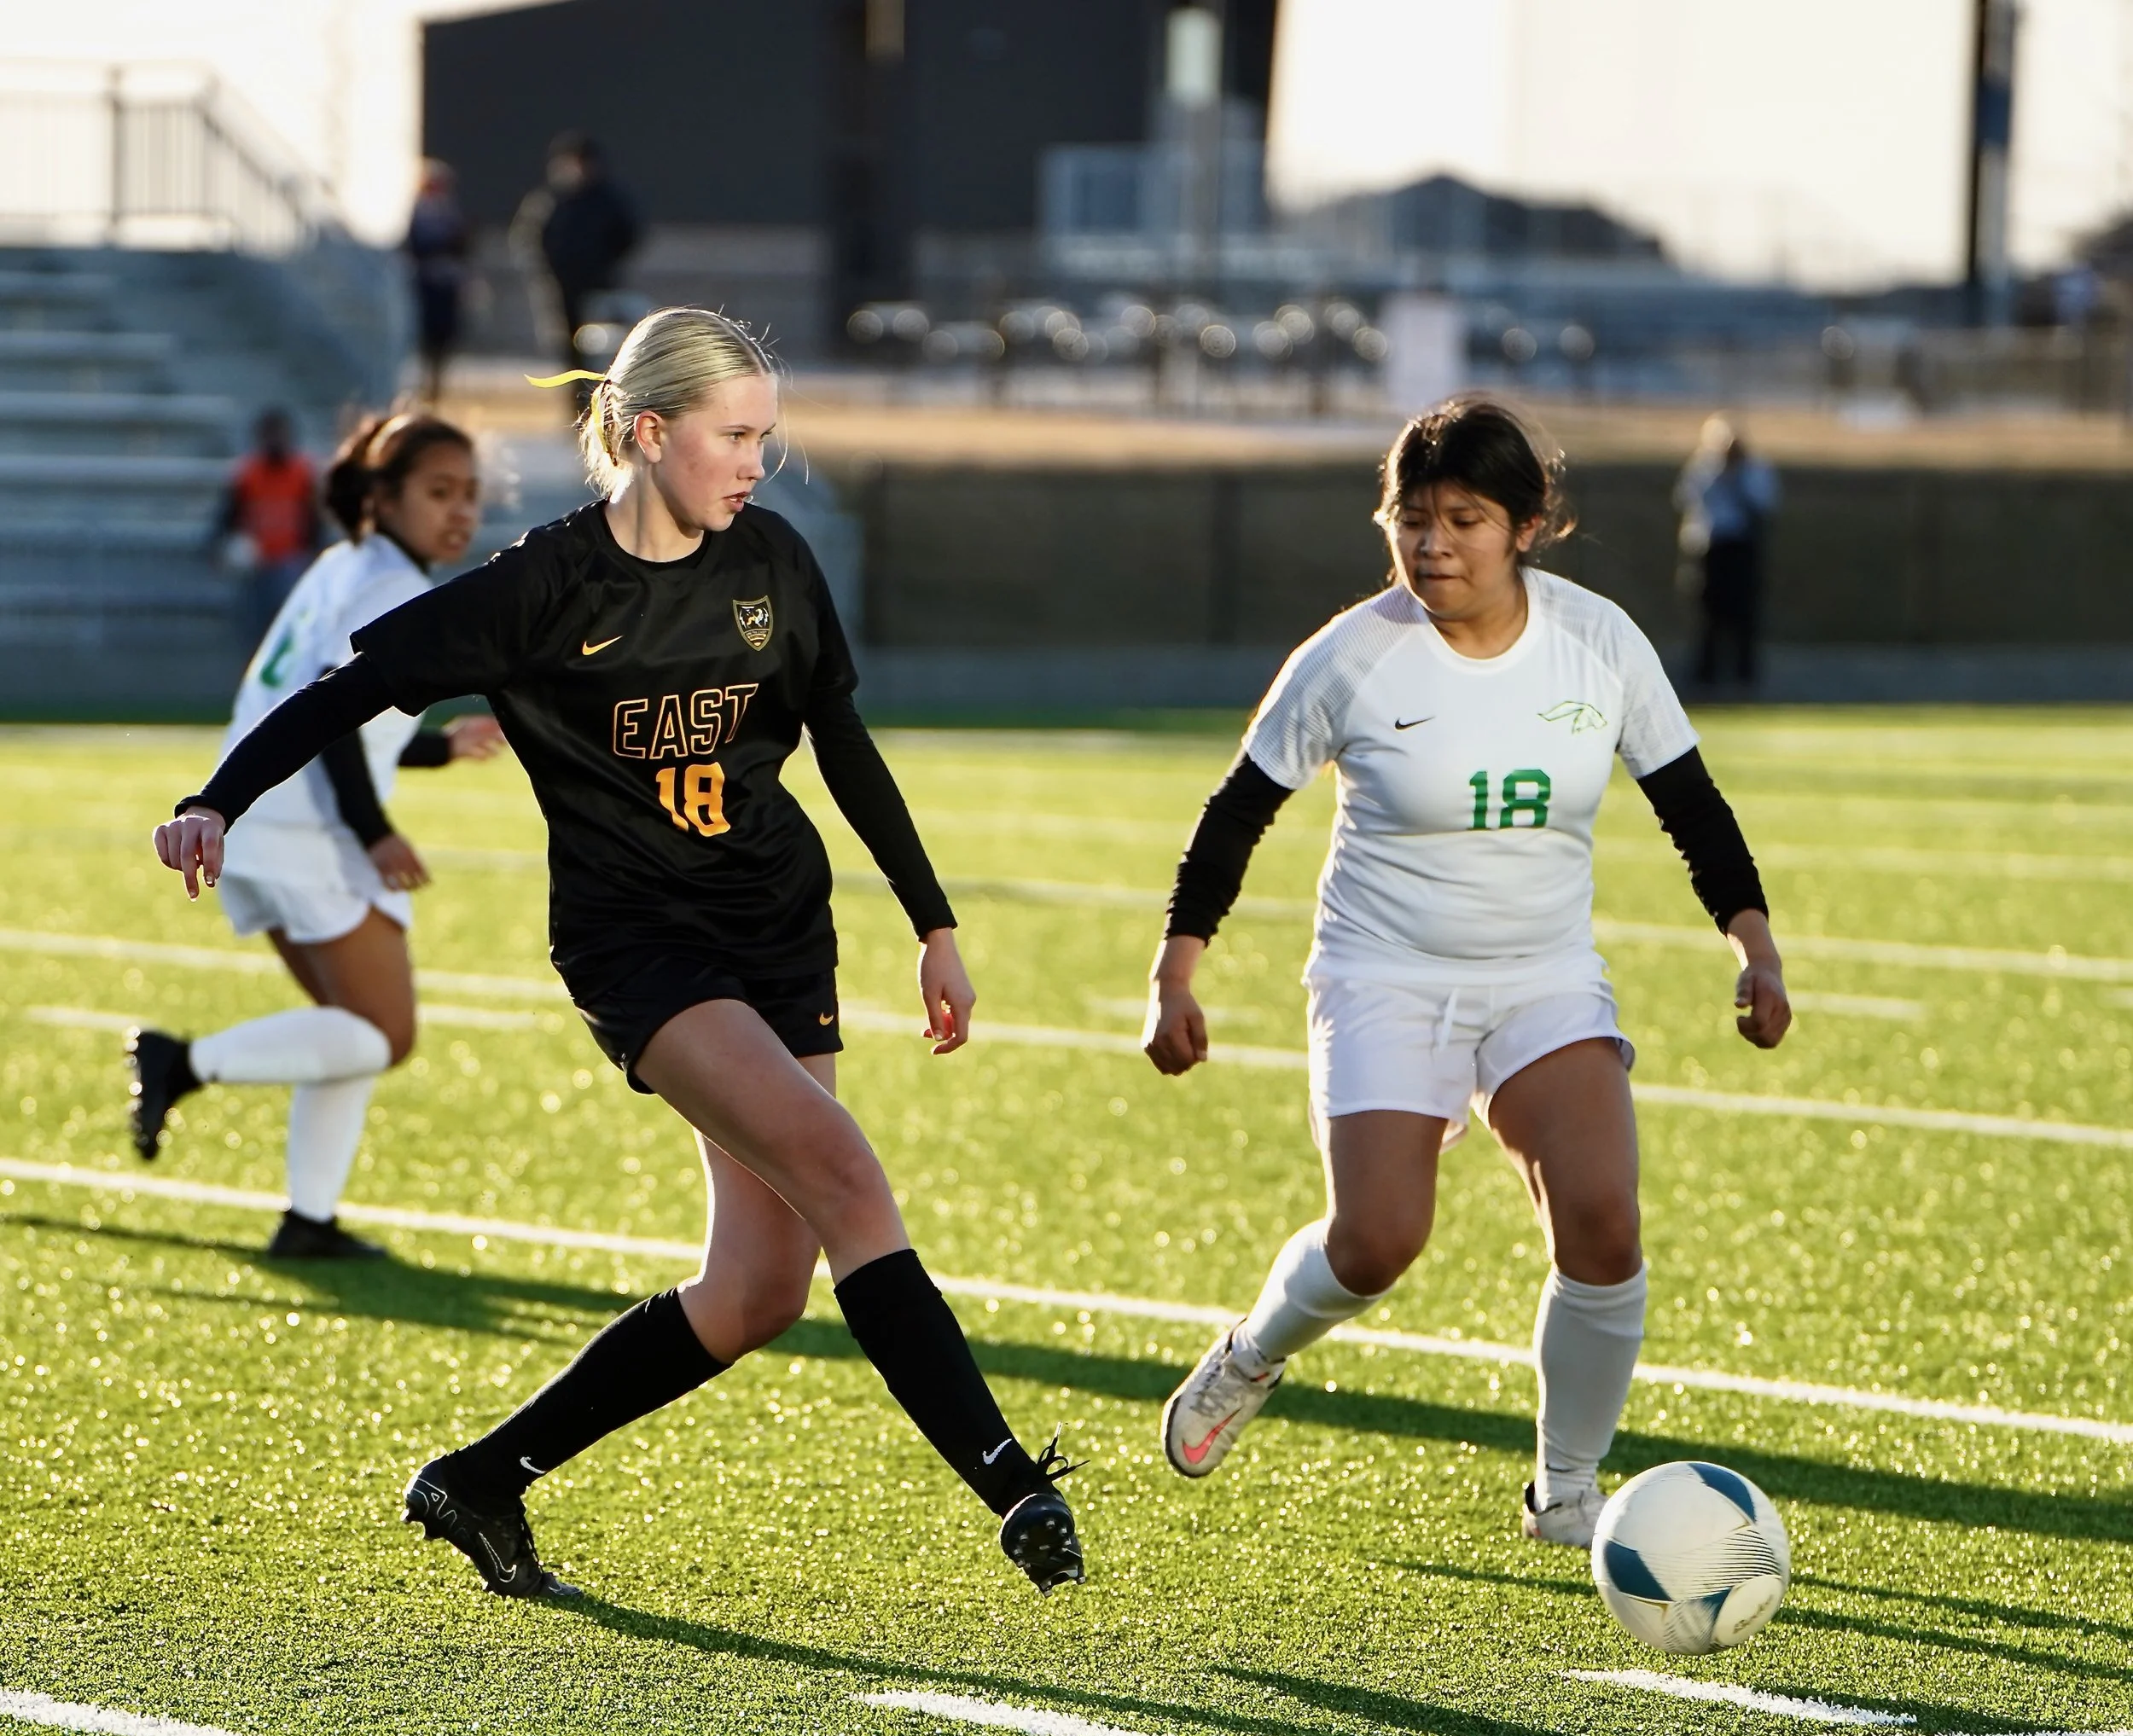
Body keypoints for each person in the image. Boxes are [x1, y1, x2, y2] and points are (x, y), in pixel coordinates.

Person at [150, 308, 1083, 1604]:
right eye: (736, 434)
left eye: (768, 432)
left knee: (756, 1289)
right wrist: (218, 797)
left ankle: (481, 1476)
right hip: (640, 943)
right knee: (841, 1167)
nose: (760, 459)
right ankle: (1011, 1480)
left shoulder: (774, 560)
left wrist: (933, 922)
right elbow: (340, 694)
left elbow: (845, 746)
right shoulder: (544, 586)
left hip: (777, 924)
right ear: (650, 433)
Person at [1142, 397, 1790, 1550]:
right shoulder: (1349, 657)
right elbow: (1237, 814)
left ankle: (1567, 1488)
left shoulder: (1600, 642)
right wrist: (1175, 972)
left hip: (1542, 976)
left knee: (1603, 1222)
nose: (1434, 544)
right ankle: (1253, 1352)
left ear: (1529, 526)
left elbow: (1691, 806)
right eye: (1415, 518)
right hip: (1383, 973)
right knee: (1377, 1240)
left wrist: (1755, 944)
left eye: (1466, 519)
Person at [131, 412, 504, 1259]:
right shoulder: (388, 587)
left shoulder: (350, 565)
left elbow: (332, 714)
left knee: (352, 1029)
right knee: (386, 1032)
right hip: (305, 829)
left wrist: (438, 749)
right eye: (439, 492)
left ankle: (309, 1219)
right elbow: (330, 724)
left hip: (271, 821)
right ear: (382, 497)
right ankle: (182, 1063)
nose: (460, 513)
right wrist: (374, 831)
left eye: (471, 494)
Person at [514, 132, 640, 409]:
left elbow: (629, 235)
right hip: (562, 290)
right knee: (570, 353)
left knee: (603, 351)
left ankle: (606, 406)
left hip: (599, 288)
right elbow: (532, 239)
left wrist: (605, 263)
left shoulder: (608, 200)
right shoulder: (552, 201)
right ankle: (577, 408)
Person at [1676, 415, 1780, 691]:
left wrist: (1737, 479)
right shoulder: (1703, 467)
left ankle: (1745, 674)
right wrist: (1720, 472)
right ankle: (1705, 674)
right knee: (1709, 610)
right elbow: (1688, 499)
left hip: (1742, 545)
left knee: (1744, 610)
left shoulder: (1755, 469)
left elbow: (1763, 503)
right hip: (1710, 545)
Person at [215, 409, 321, 653]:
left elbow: (312, 520)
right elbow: (228, 518)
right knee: (253, 631)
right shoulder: (247, 474)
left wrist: (312, 555)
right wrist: (222, 547)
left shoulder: (301, 473)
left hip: (289, 561)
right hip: (255, 564)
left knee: (290, 630)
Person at [404, 160, 472, 405]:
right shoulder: (418, 214)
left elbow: (463, 247)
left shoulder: (452, 215)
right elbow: (414, 247)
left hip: (448, 284)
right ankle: (424, 385)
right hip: (425, 285)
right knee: (425, 338)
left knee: (445, 338)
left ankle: (437, 385)